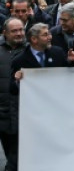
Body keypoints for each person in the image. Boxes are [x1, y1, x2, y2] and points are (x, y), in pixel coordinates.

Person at [0, 19, 25, 171]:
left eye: (21, 30)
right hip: (3, 114)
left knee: (15, 162)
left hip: (25, 115)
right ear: (5, 33)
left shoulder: (32, 49)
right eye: (14, 31)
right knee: (10, 153)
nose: (19, 34)